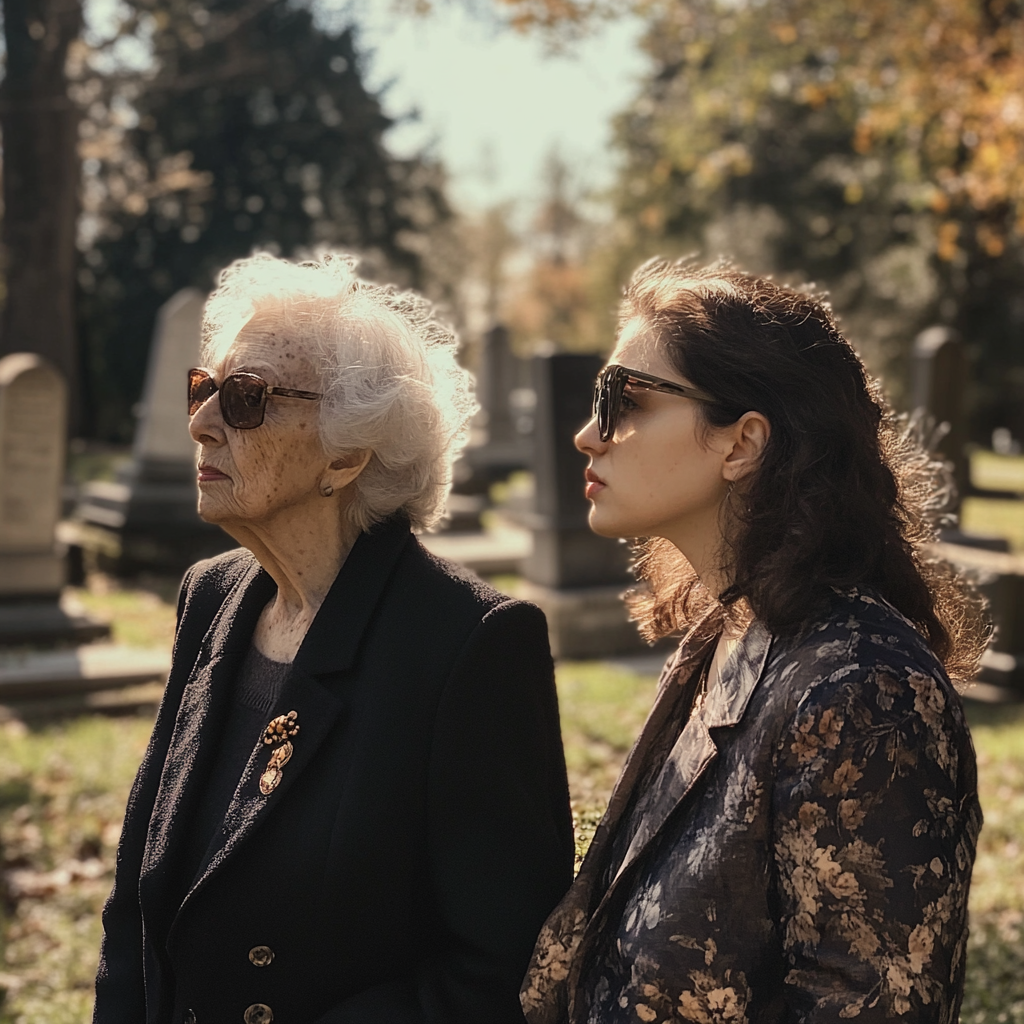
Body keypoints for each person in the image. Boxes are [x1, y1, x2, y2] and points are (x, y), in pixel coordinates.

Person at [94, 252, 574, 1024]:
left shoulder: (470, 646)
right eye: (204, 387)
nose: (200, 422)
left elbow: (500, 967)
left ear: (346, 457)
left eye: (246, 399)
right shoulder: (211, 596)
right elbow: (136, 905)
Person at [521, 259, 987, 1024]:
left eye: (625, 401)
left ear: (742, 443)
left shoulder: (865, 693)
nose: (586, 435)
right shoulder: (729, 632)